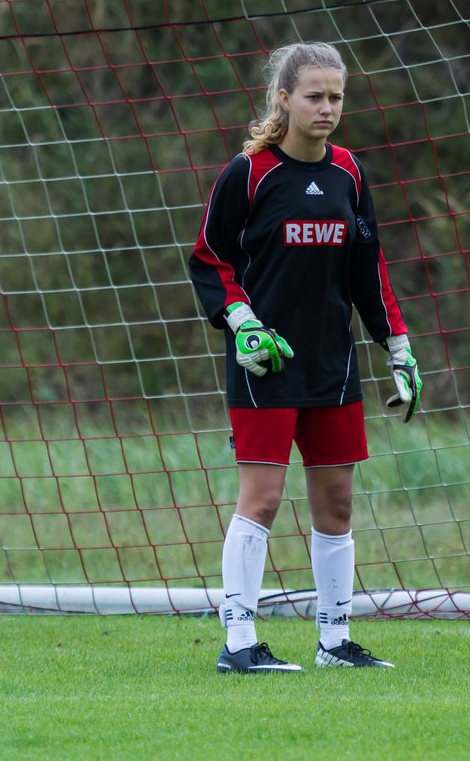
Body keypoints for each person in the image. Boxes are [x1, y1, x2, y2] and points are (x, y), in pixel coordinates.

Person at [189, 42, 423, 673]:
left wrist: (397, 348)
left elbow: (366, 270)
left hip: (333, 363)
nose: (326, 108)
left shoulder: (348, 171)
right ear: (283, 99)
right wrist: (242, 325)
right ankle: (238, 644)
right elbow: (211, 259)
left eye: (336, 96)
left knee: (338, 503)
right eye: (314, 96)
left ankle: (335, 641)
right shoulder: (249, 173)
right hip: (265, 362)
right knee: (261, 499)